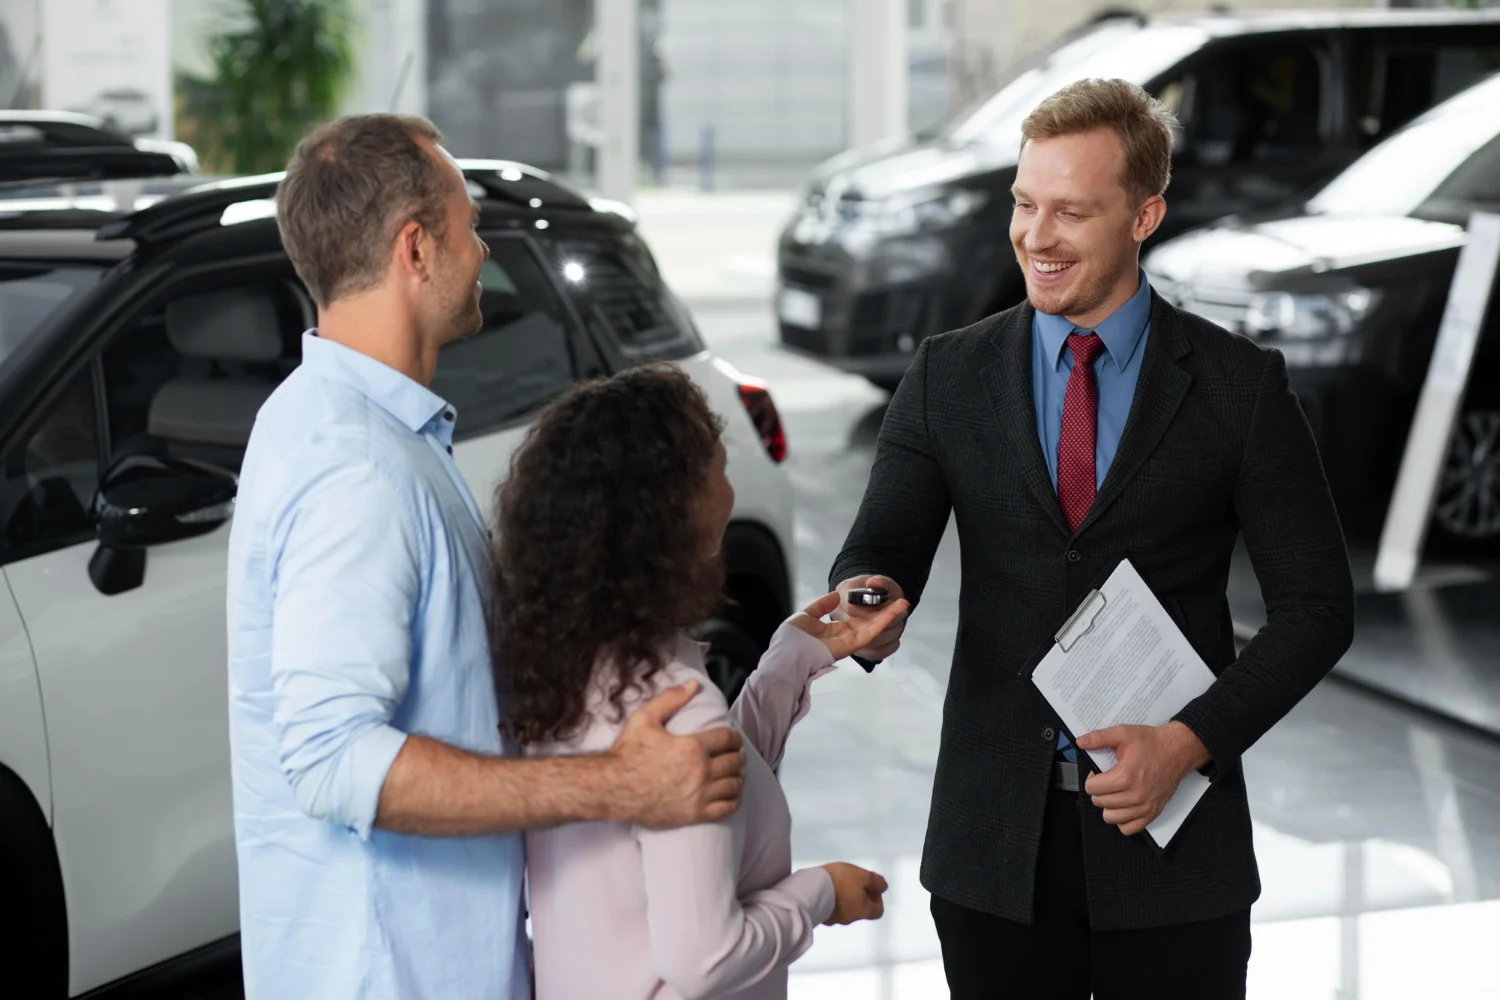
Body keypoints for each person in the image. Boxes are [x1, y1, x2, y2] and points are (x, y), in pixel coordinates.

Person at [831, 79, 1356, 999]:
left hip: (1174, 863)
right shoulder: (946, 375)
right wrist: (865, 601)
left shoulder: (1241, 387)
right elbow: (881, 546)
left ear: (1144, 215)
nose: (1036, 236)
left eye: (1072, 211)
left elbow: (1318, 611)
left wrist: (1190, 740)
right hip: (992, 855)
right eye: (1025, 204)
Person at [226, 115, 748, 1000]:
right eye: (470, 228)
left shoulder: (346, 421)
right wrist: (615, 786)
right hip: (392, 975)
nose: (483, 253)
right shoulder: (357, 469)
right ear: (416, 249)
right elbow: (330, 759)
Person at [498, 366, 901, 1000]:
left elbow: (724, 785)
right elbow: (706, 960)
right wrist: (821, 893)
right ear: (673, 511)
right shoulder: (682, 717)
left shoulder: (569, 674)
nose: (731, 490)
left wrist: (791, 659)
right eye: (718, 468)